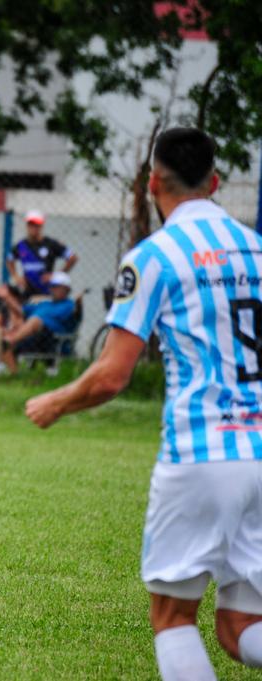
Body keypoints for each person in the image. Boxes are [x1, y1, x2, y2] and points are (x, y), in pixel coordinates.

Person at [25, 127, 262, 681]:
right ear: (217, 181)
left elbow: (111, 376)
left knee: (173, 617)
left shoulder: (154, 257)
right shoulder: (256, 248)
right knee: (239, 626)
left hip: (203, 451)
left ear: (152, 181)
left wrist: (55, 404)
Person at [1, 271, 79, 373]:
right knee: (2, 335)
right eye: (51, 286)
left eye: (56, 287)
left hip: (54, 341)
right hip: (34, 338)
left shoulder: (69, 305)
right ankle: (14, 375)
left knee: (35, 320)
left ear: (66, 289)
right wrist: (7, 297)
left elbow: (53, 319)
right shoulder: (44, 304)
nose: (52, 289)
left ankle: (11, 340)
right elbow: (21, 311)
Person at [1, 209, 77, 302]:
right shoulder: (21, 245)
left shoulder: (51, 244)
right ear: (27, 225)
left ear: (41, 226)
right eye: (31, 224)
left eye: (36, 225)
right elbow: (9, 260)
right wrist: (16, 276)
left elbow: (72, 258)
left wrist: (57, 275)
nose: (33, 227)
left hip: (46, 293)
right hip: (27, 292)